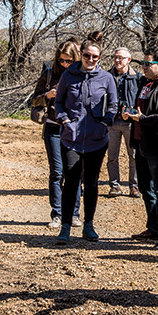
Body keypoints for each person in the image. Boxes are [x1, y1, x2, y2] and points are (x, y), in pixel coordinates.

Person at [53, 32, 118, 245]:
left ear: (100, 58)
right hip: (71, 138)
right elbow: (59, 102)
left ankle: (88, 225)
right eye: (87, 56)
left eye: (95, 57)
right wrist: (64, 120)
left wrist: (105, 122)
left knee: (91, 183)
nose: (91, 60)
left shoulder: (106, 78)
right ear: (81, 55)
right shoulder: (68, 76)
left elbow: (113, 105)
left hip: (96, 140)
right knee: (71, 181)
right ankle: (65, 227)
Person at [125, 49, 158, 247]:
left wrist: (143, 119)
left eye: (148, 64)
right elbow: (140, 109)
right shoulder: (145, 84)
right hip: (141, 142)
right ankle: (154, 227)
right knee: (146, 188)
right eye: (143, 64)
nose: (144, 68)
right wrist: (130, 114)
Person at [31, 39, 82, 228]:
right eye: (62, 60)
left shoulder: (81, 74)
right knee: (57, 172)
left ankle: (74, 213)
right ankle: (57, 214)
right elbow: (34, 100)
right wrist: (48, 96)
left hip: (73, 128)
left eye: (69, 61)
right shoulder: (49, 72)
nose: (65, 64)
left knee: (74, 172)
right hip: (53, 127)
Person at [107, 47, 140, 198]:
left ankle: (134, 186)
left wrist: (133, 114)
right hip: (112, 122)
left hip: (130, 123)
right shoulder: (107, 76)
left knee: (133, 154)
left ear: (129, 60)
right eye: (115, 57)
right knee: (112, 155)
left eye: (121, 58)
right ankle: (114, 185)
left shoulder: (137, 78)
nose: (117, 60)